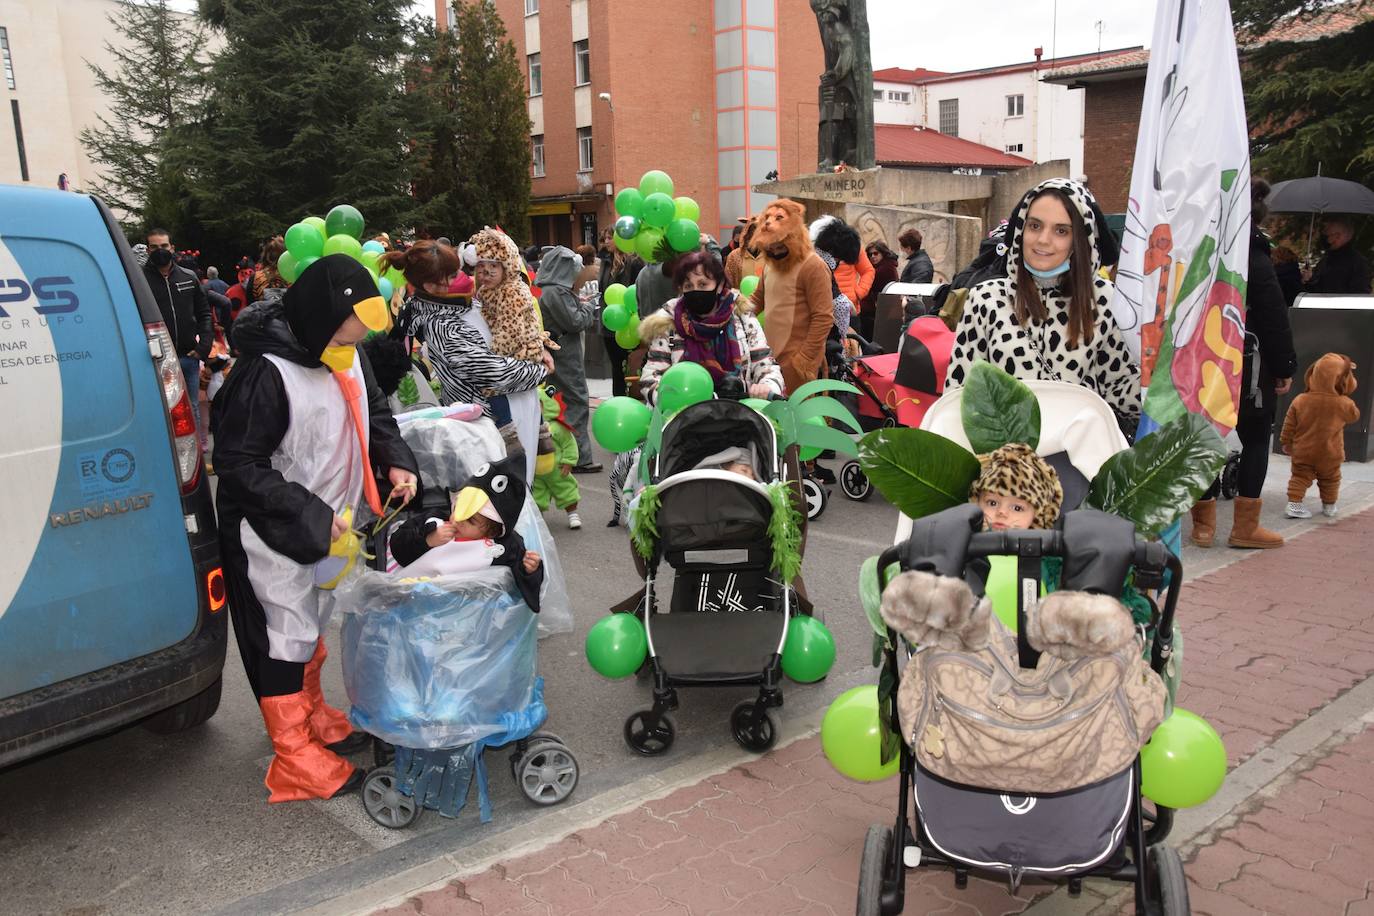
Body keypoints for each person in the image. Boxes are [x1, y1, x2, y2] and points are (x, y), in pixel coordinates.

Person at [212, 254, 419, 803]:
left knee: (314, 620)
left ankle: (309, 713)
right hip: (273, 531)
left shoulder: (343, 354)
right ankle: (292, 756)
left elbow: (375, 414)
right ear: (327, 316)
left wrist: (397, 459)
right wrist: (310, 515)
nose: (361, 338)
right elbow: (237, 465)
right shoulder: (266, 372)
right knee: (285, 633)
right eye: (355, 326)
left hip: (330, 526)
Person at [944, 178, 1140, 421]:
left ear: (1079, 240)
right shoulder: (986, 299)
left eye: (1061, 231)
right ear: (1020, 230)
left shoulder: (1106, 300)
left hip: (1079, 454)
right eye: (1035, 226)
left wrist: (1167, 372)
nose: (1043, 240)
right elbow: (958, 394)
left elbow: (1121, 391)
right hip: (1002, 454)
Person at [1190, 178, 1297, 550]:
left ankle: (1202, 527)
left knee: (1204, 437)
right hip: (1249, 365)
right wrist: (1284, 365)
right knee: (1254, 439)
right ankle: (1244, 528)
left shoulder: (1200, 248)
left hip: (1204, 360)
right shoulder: (1254, 253)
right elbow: (1272, 313)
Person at [386, 240, 549, 465]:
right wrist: (539, 370)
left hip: (518, 413)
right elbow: (491, 372)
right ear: (432, 286)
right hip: (489, 430)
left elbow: (512, 333)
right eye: (453, 276)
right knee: (503, 494)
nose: (464, 278)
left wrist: (538, 346)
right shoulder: (441, 325)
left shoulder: (466, 304)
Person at [387, 458, 545, 612]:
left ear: (493, 531)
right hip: (413, 595)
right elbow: (397, 546)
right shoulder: (434, 521)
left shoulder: (504, 546)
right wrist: (427, 540)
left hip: (466, 607)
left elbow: (519, 584)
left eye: (470, 520)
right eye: (457, 508)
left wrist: (530, 570)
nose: (458, 519)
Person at [463, 229, 558, 480]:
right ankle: (536, 434)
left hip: (519, 353)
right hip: (512, 358)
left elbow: (510, 332)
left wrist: (489, 358)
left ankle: (510, 435)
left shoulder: (513, 291)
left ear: (507, 265)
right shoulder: (485, 292)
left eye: (494, 265)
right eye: (481, 265)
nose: (486, 272)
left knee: (494, 391)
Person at [638, 251, 784, 403]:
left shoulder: (742, 317)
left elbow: (766, 365)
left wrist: (767, 387)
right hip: (685, 418)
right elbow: (651, 378)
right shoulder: (668, 323)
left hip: (740, 415)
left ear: (719, 286)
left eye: (703, 284)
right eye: (689, 286)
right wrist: (676, 397)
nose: (696, 290)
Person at [747, 199, 836, 394]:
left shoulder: (813, 265)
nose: (773, 250)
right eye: (770, 246)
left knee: (804, 417)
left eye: (779, 244)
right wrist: (731, 309)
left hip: (798, 364)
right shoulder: (770, 266)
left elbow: (823, 317)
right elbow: (757, 300)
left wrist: (804, 358)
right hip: (770, 360)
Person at [535, 246, 601, 473]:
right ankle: (579, 457)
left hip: (559, 352)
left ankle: (565, 454)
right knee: (576, 399)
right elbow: (574, 321)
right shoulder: (557, 293)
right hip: (565, 354)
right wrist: (591, 306)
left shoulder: (552, 291)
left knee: (560, 402)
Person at [144, 228, 213, 438]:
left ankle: (198, 457)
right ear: (148, 250)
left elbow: (204, 314)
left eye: (164, 246)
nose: (160, 250)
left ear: (172, 248)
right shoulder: (138, 280)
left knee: (191, 408)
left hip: (188, 356)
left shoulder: (189, 277)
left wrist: (204, 347)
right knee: (160, 411)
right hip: (156, 359)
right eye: (154, 247)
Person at [1281, 353, 1360, 519]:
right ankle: (1329, 505)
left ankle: (1294, 504)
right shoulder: (1344, 403)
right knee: (1331, 479)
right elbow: (1355, 416)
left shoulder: (1301, 400)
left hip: (1304, 449)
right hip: (1330, 452)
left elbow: (1289, 424)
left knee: (1300, 477)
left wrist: (1286, 442)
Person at [532, 386, 583, 529]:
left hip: (557, 469)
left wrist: (568, 461)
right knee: (537, 496)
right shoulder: (527, 426)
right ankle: (538, 518)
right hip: (536, 472)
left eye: (539, 405)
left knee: (567, 491)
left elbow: (569, 444)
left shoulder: (557, 427)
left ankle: (573, 514)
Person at [598, 246, 644, 397]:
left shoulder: (635, 262)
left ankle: (634, 399)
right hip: (610, 322)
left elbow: (637, 292)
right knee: (617, 367)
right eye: (603, 239)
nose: (606, 242)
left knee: (633, 367)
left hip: (631, 323)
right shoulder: (605, 262)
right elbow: (602, 291)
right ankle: (618, 400)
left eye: (609, 237)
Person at [1303, 216, 1371, 295]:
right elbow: (1317, 289)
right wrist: (1309, 280)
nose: (1325, 238)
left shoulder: (1358, 262)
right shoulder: (1327, 258)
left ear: (1337, 236)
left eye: (1327, 235)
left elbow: (1360, 295)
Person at [862, 240, 899, 342]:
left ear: (883, 253)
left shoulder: (884, 269)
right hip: (880, 312)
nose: (873, 256)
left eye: (876, 253)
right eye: (870, 254)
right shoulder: (883, 267)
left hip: (880, 313)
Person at [724, 215, 764, 291]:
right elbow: (728, 283)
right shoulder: (735, 256)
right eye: (751, 233)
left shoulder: (770, 256)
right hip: (742, 300)